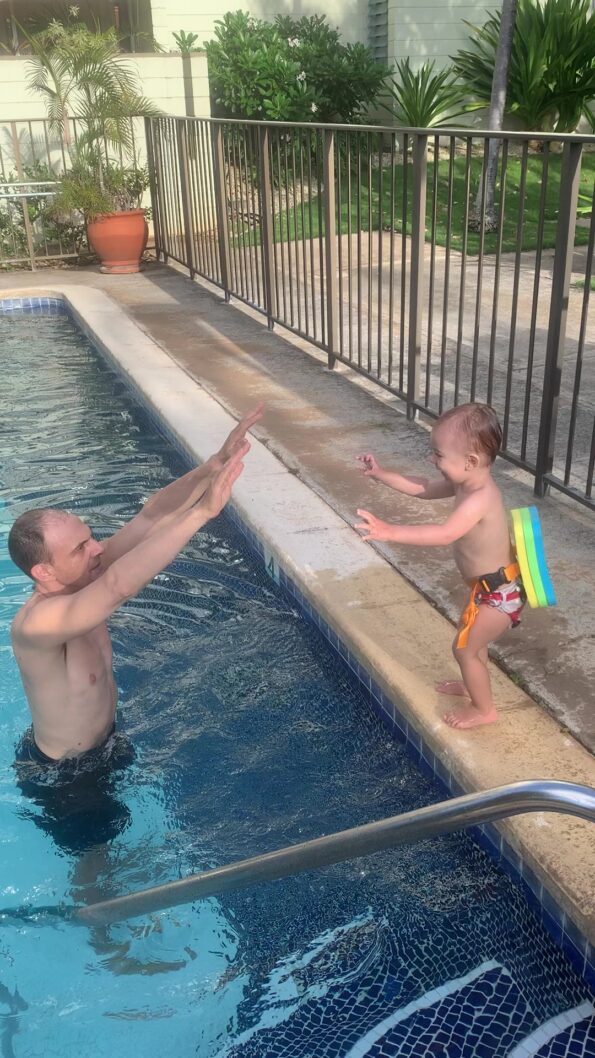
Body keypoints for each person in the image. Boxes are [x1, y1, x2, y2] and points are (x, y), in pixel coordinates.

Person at [9, 404, 262, 767]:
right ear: (44, 573)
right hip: (66, 776)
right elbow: (117, 587)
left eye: (90, 537)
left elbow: (152, 515)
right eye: (80, 548)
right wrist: (202, 512)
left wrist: (212, 466)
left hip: (108, 739)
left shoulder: (86, 571)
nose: (97, 548)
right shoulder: (37, 625)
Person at [354, 403, 524, 730]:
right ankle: (474, 681)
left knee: (463, 648)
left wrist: (391, 531)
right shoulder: (464, 483)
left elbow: (445, 533)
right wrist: (380, 473)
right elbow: (424, 488)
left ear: (470, 461)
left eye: (439, 455)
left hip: (501, 595)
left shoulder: (480, 498)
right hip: (484, 589)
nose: (433, 460)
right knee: (471, 641)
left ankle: (484, 708)